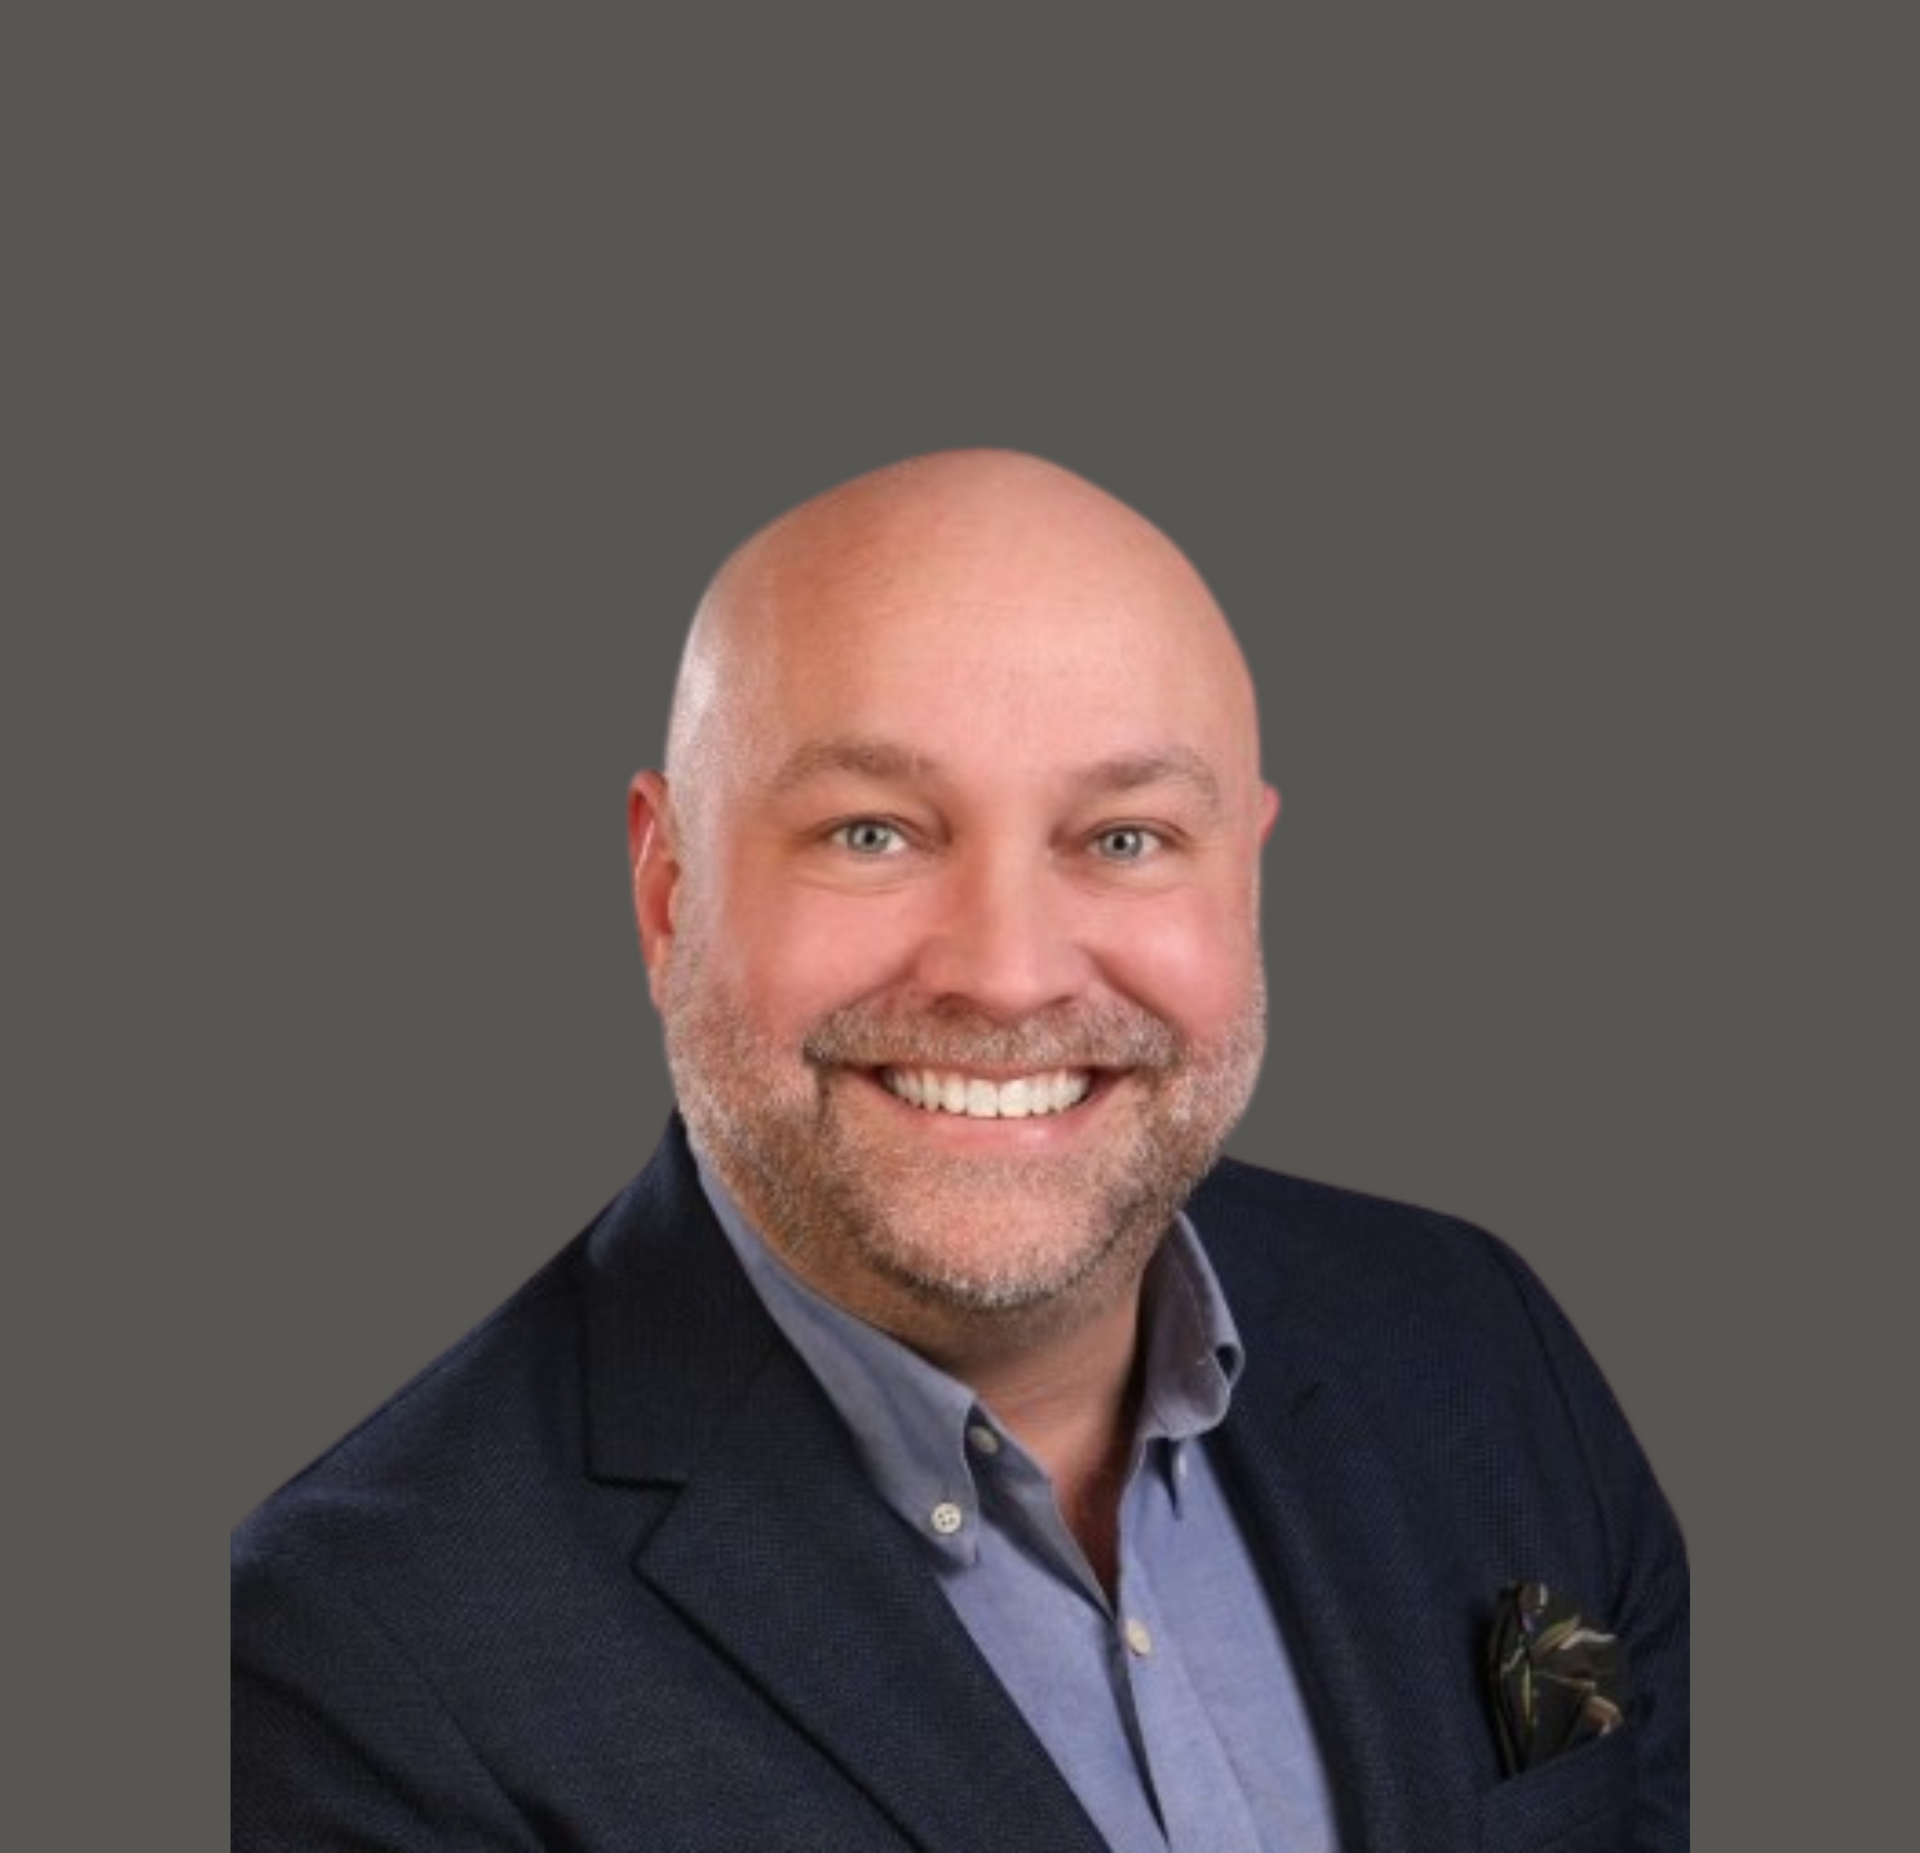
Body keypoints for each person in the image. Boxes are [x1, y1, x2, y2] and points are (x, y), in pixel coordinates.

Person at [231, 449, 1688, 1851]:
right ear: (670, 894)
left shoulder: (1479, 1342)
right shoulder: (359, 1655)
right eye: (873, 832)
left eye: (1123, 838)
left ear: (1245, 874)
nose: (1005, 976)